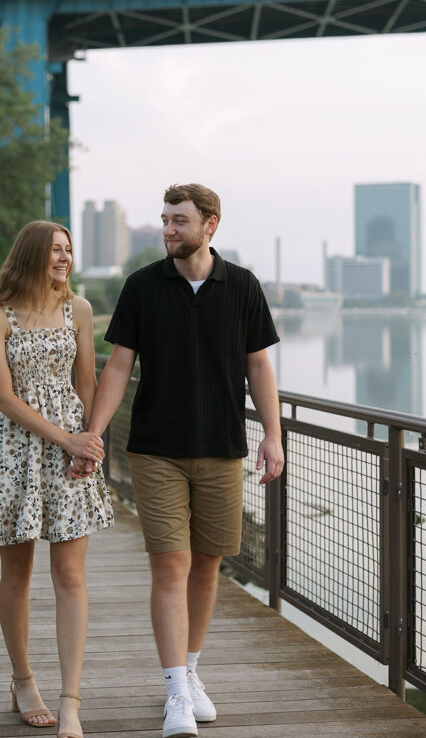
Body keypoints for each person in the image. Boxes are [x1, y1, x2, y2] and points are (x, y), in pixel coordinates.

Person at [71, 184, 284, 738]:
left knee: (209, 565)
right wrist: (93, 434)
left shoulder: (242, 286)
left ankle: (189, 671)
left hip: (222, 448)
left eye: (179, 221)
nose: (168, 229)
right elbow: (118, 368)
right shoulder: (143, 286)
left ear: (209, 225)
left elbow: (258, 367)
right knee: (171, 566)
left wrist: (273, 435)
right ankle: (174, 694)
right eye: (164, 219)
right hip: (156, 449)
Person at [0, 220, 114, 738]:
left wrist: (89, 442)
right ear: (31, 254)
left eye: (69, 250)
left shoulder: (79, 309)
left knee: (71, 575)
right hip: (15, 449)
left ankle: (70, 700)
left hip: (72, 449)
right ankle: (23, 680)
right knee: (18, 572)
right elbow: (2, 397)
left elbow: (89, 380)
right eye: (55, 250)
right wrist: (65, 437)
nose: (64, 259)